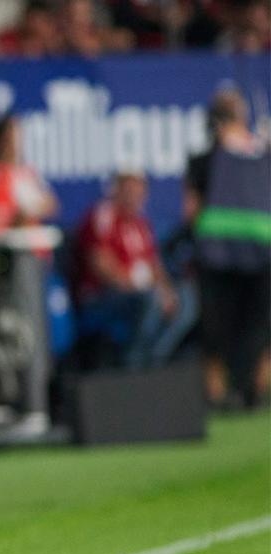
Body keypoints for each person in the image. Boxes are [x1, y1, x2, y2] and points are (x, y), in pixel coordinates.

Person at [186, 89, 271, 407]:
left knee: (217, 327)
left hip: (217, 254)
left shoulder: (203, 160)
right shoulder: (263, 154)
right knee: (258, 324)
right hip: (260, 251)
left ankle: (220, 395)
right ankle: (254, 391)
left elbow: (190, 211)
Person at [75, 172, 193, 369]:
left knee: (187, 297)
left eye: (139, 194)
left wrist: (166, 290)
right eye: (129, 192)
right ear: (117, 191)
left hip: (140, 290)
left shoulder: (141, 223)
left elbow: (154, 264)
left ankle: (157, 357)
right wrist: (134, 284)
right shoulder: (103, 216)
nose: (134, 199)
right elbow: (100, 264)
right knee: (149, 298)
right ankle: (133, 360)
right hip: (103, 295)